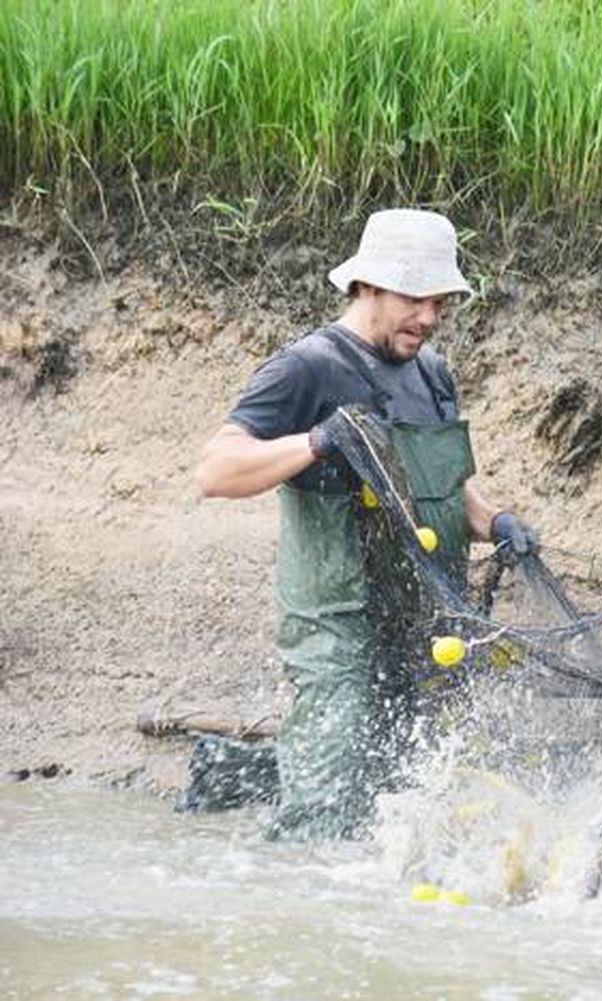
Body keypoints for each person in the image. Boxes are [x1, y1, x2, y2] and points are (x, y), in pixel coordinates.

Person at [192, 208, 538, 841]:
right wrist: (319, 441)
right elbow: (216, 471)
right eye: (415, 299)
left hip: (421, 621)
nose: (429, 318)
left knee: (398, 792)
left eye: (440, 302)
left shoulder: (433, 375)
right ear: (368, 286)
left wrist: (496, 521)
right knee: (330, 810)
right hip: (336, 625)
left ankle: (234, 777)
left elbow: (444, 488)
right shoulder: (308, 367)